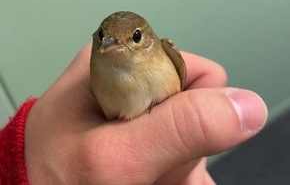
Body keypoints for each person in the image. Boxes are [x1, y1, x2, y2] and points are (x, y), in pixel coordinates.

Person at [0, 43, 268, 185]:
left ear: (148, 39)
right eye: (103, 37)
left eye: (135, 38)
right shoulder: (98, 70)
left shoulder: (166, 53)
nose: (110, 45)